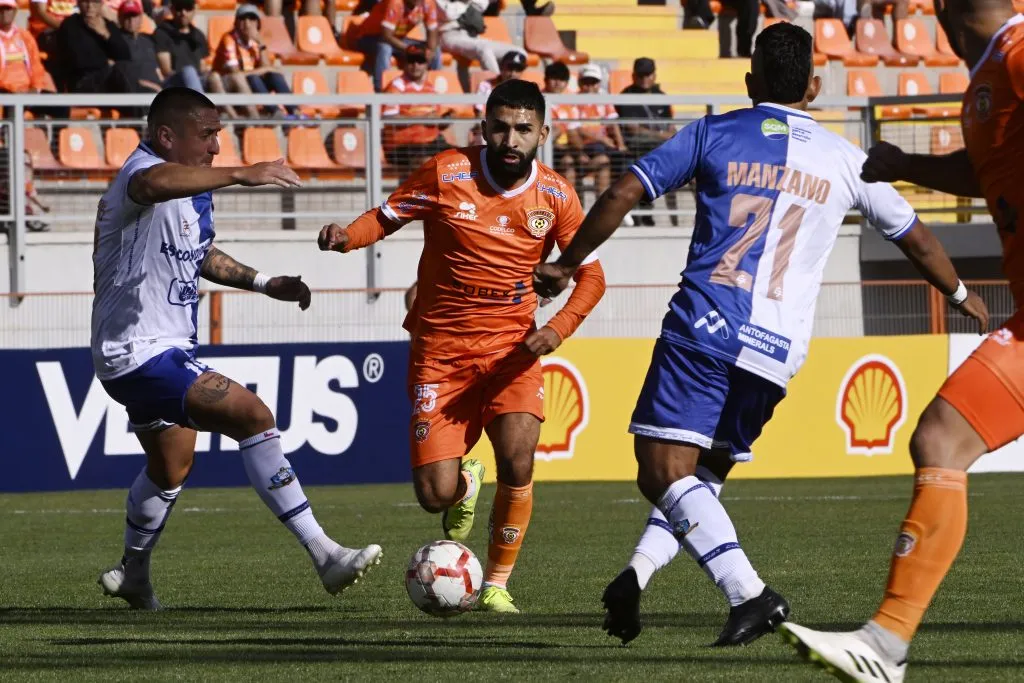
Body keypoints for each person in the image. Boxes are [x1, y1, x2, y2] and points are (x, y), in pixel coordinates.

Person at [532, 22, 987, 649]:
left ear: (750, 83)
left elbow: (623, 190)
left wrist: (565, 263)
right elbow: (918, 239)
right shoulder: (844, 158)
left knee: (661, 468)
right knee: (703, 473)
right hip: (778, 353)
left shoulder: (712, 132)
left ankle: (751, 594)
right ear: (815, 86)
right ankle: (635, 575)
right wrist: (963, 297)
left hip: (707, 327)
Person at [777, 0, 1024, 680]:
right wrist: (904, 165)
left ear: (947, 10)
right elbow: (986, 172)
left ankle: (886, 642)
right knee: (941, 440)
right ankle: (884, 645)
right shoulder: (988, 79)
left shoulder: (1016, 51)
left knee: (942, 438)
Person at [318, 79, 606, 613]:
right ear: (484, 128)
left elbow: (591, 276)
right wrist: (346, 236)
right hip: (441, 355)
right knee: (434, 496)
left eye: (524, 129)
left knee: (518, 462)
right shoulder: (448, 172)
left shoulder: (558, 195)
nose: (511, 139)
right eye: (501, 127)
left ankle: (497, 582)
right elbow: (385, 216)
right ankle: (463, 484)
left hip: (511, 353)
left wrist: (556, 329)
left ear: (544, 132)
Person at [92, 88, 381, 610]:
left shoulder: (194, 189)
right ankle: (325, 554)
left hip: (159, 348)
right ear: (166, 136)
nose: (217, 147)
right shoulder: (143, 170)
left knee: (171, 467)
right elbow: (151, 184)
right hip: (137, 350)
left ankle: (134, 574)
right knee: (252, 414)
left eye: (220, 135)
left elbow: (199, 254)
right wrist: (244, 172)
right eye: (207, 134)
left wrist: (267, 283)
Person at [615, 57, 677, 227]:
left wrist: (670, 136)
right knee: (638, 176)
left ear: (654, 76)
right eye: (641, 75)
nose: (644, 79)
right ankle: (641, 219)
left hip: (661, 150)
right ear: (634, 76)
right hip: (636, 150)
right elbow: (632, 129)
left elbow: (671, 125)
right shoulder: (625, 97)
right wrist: (662, 135)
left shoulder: (661, 97)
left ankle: (680, 222)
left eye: (648, 75)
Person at [213, 4, 297, 118]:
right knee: (254, 78)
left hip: (250, 83)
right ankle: (275, 111)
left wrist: (261, 45)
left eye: (251, 19)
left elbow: (267, 69)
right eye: (242, 19)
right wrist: (264, 69)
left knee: (274, 76)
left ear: (257, 23)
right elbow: (235, 74)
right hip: (228, 84)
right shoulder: (229, 39)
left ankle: (295, 110)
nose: (247, 23)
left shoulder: (255, 41)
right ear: (236, 23)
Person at [382, 45, 455, 174]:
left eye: (420, 61)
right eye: (411, 61)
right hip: (403, 146)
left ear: (426, 64)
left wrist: (446, 120)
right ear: (405, 64)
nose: (415, 65)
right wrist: (422, 119)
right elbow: (389, 119)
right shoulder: (396, 86)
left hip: (431, 143)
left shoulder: (431, 89)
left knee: (458, 157)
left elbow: (437, 122)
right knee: (427, 161)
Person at [354, 0, 442, 92]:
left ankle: (433, 90)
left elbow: (432, 32)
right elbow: (386, 35)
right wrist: (409, 49)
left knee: (435, 49)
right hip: (369, 38)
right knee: (385, 47)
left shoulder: (428, 3)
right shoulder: (395, 2)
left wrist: (430, 51)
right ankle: (381, 91)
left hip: (397, 39)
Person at [55, 0, 135, 93]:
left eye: (94, 2)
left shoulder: (109, 25)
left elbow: (125, 55)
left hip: (109, 79)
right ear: (78, 3)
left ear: (101, 4)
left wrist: (105, 34)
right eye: (86, 2)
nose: (90, 6)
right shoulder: (69, 25)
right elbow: (78, 61)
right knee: (120, 76)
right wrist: (106, 63)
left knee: (128, 71)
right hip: (82, 81)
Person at [575, 64, 625, 201]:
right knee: (603, 161)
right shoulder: (573, 100)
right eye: (586, 82)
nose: (590, 86)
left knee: (621, 158)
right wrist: (602, 139)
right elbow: (576, 129)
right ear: (580, 83)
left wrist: (620, 144)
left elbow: (613, 122)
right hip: (585, 145)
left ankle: (617, 200)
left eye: (594, 82)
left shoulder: (603, 98)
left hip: (602, 145)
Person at [154, 0, 225, 94]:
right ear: (172, 9)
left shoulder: (198, 35)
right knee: (189, 71)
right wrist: (190, 76)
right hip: (173, 83)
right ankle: (200, 107)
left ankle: (224, 108)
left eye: (188, 8)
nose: (183, 13)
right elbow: (166, 71)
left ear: (194, 9)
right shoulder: (162, 32)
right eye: (179, 8)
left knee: (214, 77)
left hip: (197, 81)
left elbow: (202, 67)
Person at [435, 0, 524, 75]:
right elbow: (448, 13)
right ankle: (498, 86)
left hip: (472, 37)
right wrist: (467, 4)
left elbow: (482, 4)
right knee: (484, 49)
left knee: (519, 52)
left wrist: (465, 3)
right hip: (449, 35)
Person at [543, 61, 584, 190]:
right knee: (568, 162)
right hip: (541, 150)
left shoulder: (570, 103)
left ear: (566, 83)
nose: (557, 83)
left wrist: (580, 152)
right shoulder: (537, 100)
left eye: (561, 79)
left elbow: (574, 134)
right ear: (546, 80)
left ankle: (570, 205)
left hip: (565, 150)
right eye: (554, 78)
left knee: (571, 162)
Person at [0, 0, 50, 94]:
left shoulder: (25, 36)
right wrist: (12, 91)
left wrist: (36, 88)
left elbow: (36, 66)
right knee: (11, 103)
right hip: (4, 91)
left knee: (60, 107)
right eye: (0, 9)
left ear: (15, 11)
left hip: (28, 90)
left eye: (8, 9)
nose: (4, 12)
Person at [117, 0, 162, 92]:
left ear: (141, 18)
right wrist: (152, 86)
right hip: (137, 91)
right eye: (127, 16)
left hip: (159, 87)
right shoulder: (115, 41)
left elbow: (157, 69)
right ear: (120, 18)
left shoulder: (148, 40)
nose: (131, 20)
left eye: (134, 16)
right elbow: (120, 74)